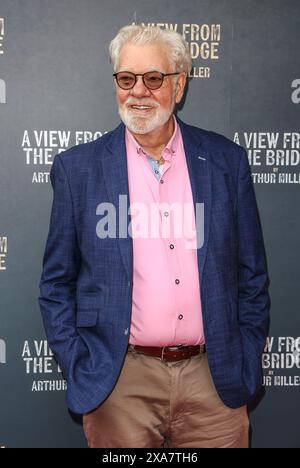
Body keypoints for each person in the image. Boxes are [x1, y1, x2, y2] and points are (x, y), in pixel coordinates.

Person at [38, 24, 270, 448]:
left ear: (179, 85)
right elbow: (56, 283)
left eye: (153, 78)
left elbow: (251, 275)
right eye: (126, 79)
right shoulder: (78, 169)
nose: (138, 91)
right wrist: (80, 363)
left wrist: (246, 355)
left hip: (214, 380)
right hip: (118, 382)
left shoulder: (225, 162)